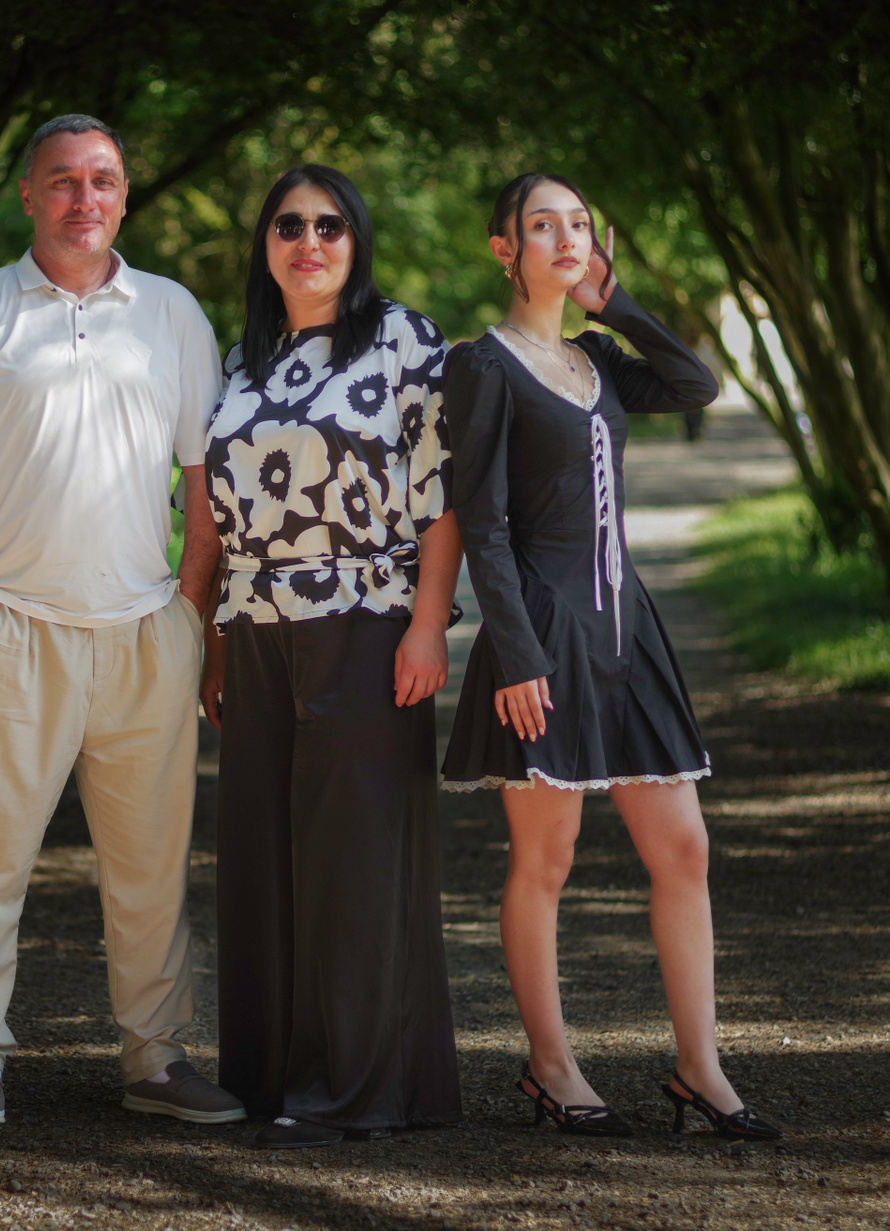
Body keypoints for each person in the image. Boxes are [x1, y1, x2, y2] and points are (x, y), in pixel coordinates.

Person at [0, 114, 246, 1128]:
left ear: (125, 196)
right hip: (11, 628)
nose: (83, 197)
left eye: (102, 179)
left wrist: (190, 613)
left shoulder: (172, 313)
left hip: (147, 629)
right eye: (62, 180)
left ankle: (156, 1059)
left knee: (151, 868)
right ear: (28, 194)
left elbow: (205, 480)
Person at [439, 172, 781, 1141]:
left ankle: (699, 1070)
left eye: (580, 224)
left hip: (630, 634)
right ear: (504, 249)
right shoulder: (482, 365)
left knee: (684, 850)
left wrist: (617, 303)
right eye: (543, 224)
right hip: (542, 638)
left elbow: (695, 384)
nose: (566, 237)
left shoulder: (596, 357)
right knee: (547, 859)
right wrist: (516, 654)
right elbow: (481, 521)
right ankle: (551, 1068)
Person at [202, 165, 464, 1150]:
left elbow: (441, 494)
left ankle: (353, 1089)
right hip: (254, 630)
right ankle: (269, 1076)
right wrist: (215, 642)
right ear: (264, 245)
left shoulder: (402, 339)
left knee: (354, 862)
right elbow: (220, 513)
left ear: (355, 241)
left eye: (329, 226)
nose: (308, 242)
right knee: (263, 860)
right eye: (288, 225)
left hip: (368, 620)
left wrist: (430, 623)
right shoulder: (243, 356)